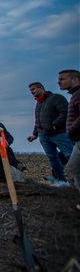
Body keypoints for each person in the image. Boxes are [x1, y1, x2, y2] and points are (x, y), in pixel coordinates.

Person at [27, 82, 73, 187]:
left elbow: (65, 112)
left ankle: (76, 178)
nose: (32, 92)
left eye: (33, 89)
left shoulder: (56, 98)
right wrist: (35, 134)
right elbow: (37, 120)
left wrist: (56, 124)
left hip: (59, 134)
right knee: (53, 158)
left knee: (70, 155)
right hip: (44, 136)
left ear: (41, 88)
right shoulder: (38, 103)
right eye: (31, 91)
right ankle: (61, 181)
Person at [58, 69, 80, 211]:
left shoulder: (78, 95)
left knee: (74, 167)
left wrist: (72, 128)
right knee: (73, 166)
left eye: (63, 79)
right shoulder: (75, 95)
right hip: (77, 140)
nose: (59, 82)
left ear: (75, 80)